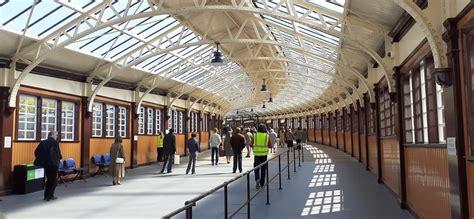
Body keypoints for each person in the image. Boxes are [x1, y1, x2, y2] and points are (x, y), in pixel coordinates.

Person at [34, 131, 62, 201]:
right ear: (52, 135)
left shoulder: (43, 142)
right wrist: (59, 159)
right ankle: (50, 195)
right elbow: (57, 153)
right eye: (56, 135)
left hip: (45, 164)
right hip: (53, 164)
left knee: (48, 179)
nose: (57, 137)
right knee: (53, 180)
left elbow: (36, 152)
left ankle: (46, 196)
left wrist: (42, 159)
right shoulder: (55, 143)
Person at [251, 124, 272, 189]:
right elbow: (270, 145)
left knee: (256, 167)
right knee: (263, 168)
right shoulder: (267, 136)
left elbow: (250, 144)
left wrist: (255, 147)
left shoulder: (255, 135)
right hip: (264, 154)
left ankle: (257, 179)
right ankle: (262, 183)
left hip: (256, 154)